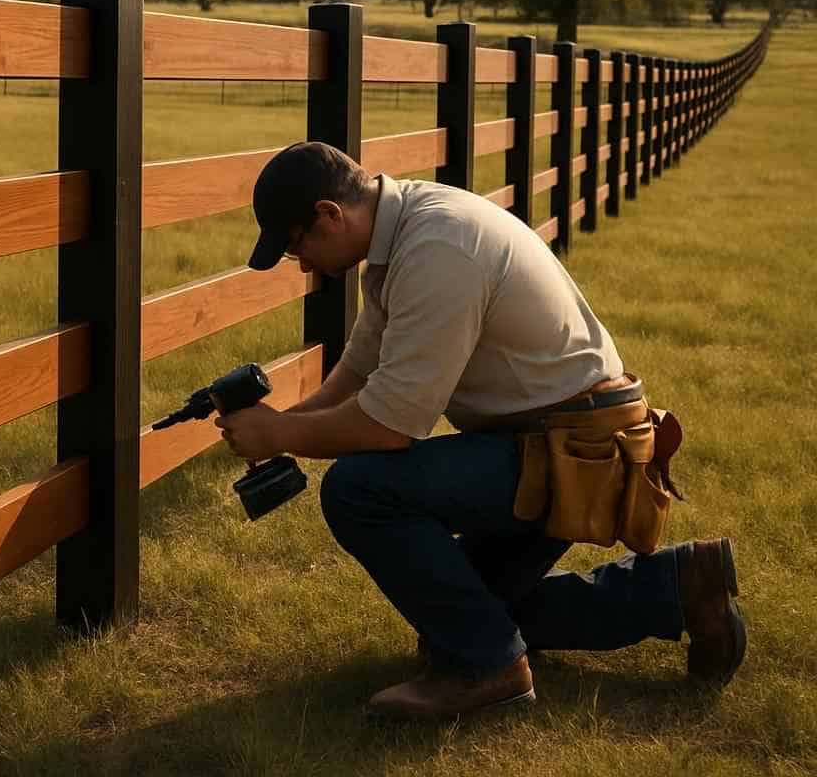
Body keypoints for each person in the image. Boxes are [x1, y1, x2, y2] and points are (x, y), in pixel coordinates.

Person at [214, 141, 746, 719]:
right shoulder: (404, 232)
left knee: (358, 490)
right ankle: (680, 584)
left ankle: (488, 669)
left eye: (299, 246)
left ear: (330, 214)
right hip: (556, 441)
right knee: (472, 613)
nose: (305, 264)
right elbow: (364, 361)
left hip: (570, 451)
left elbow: (390, 425)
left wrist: (278, 437)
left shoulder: (439, 246)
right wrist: (291, 421)